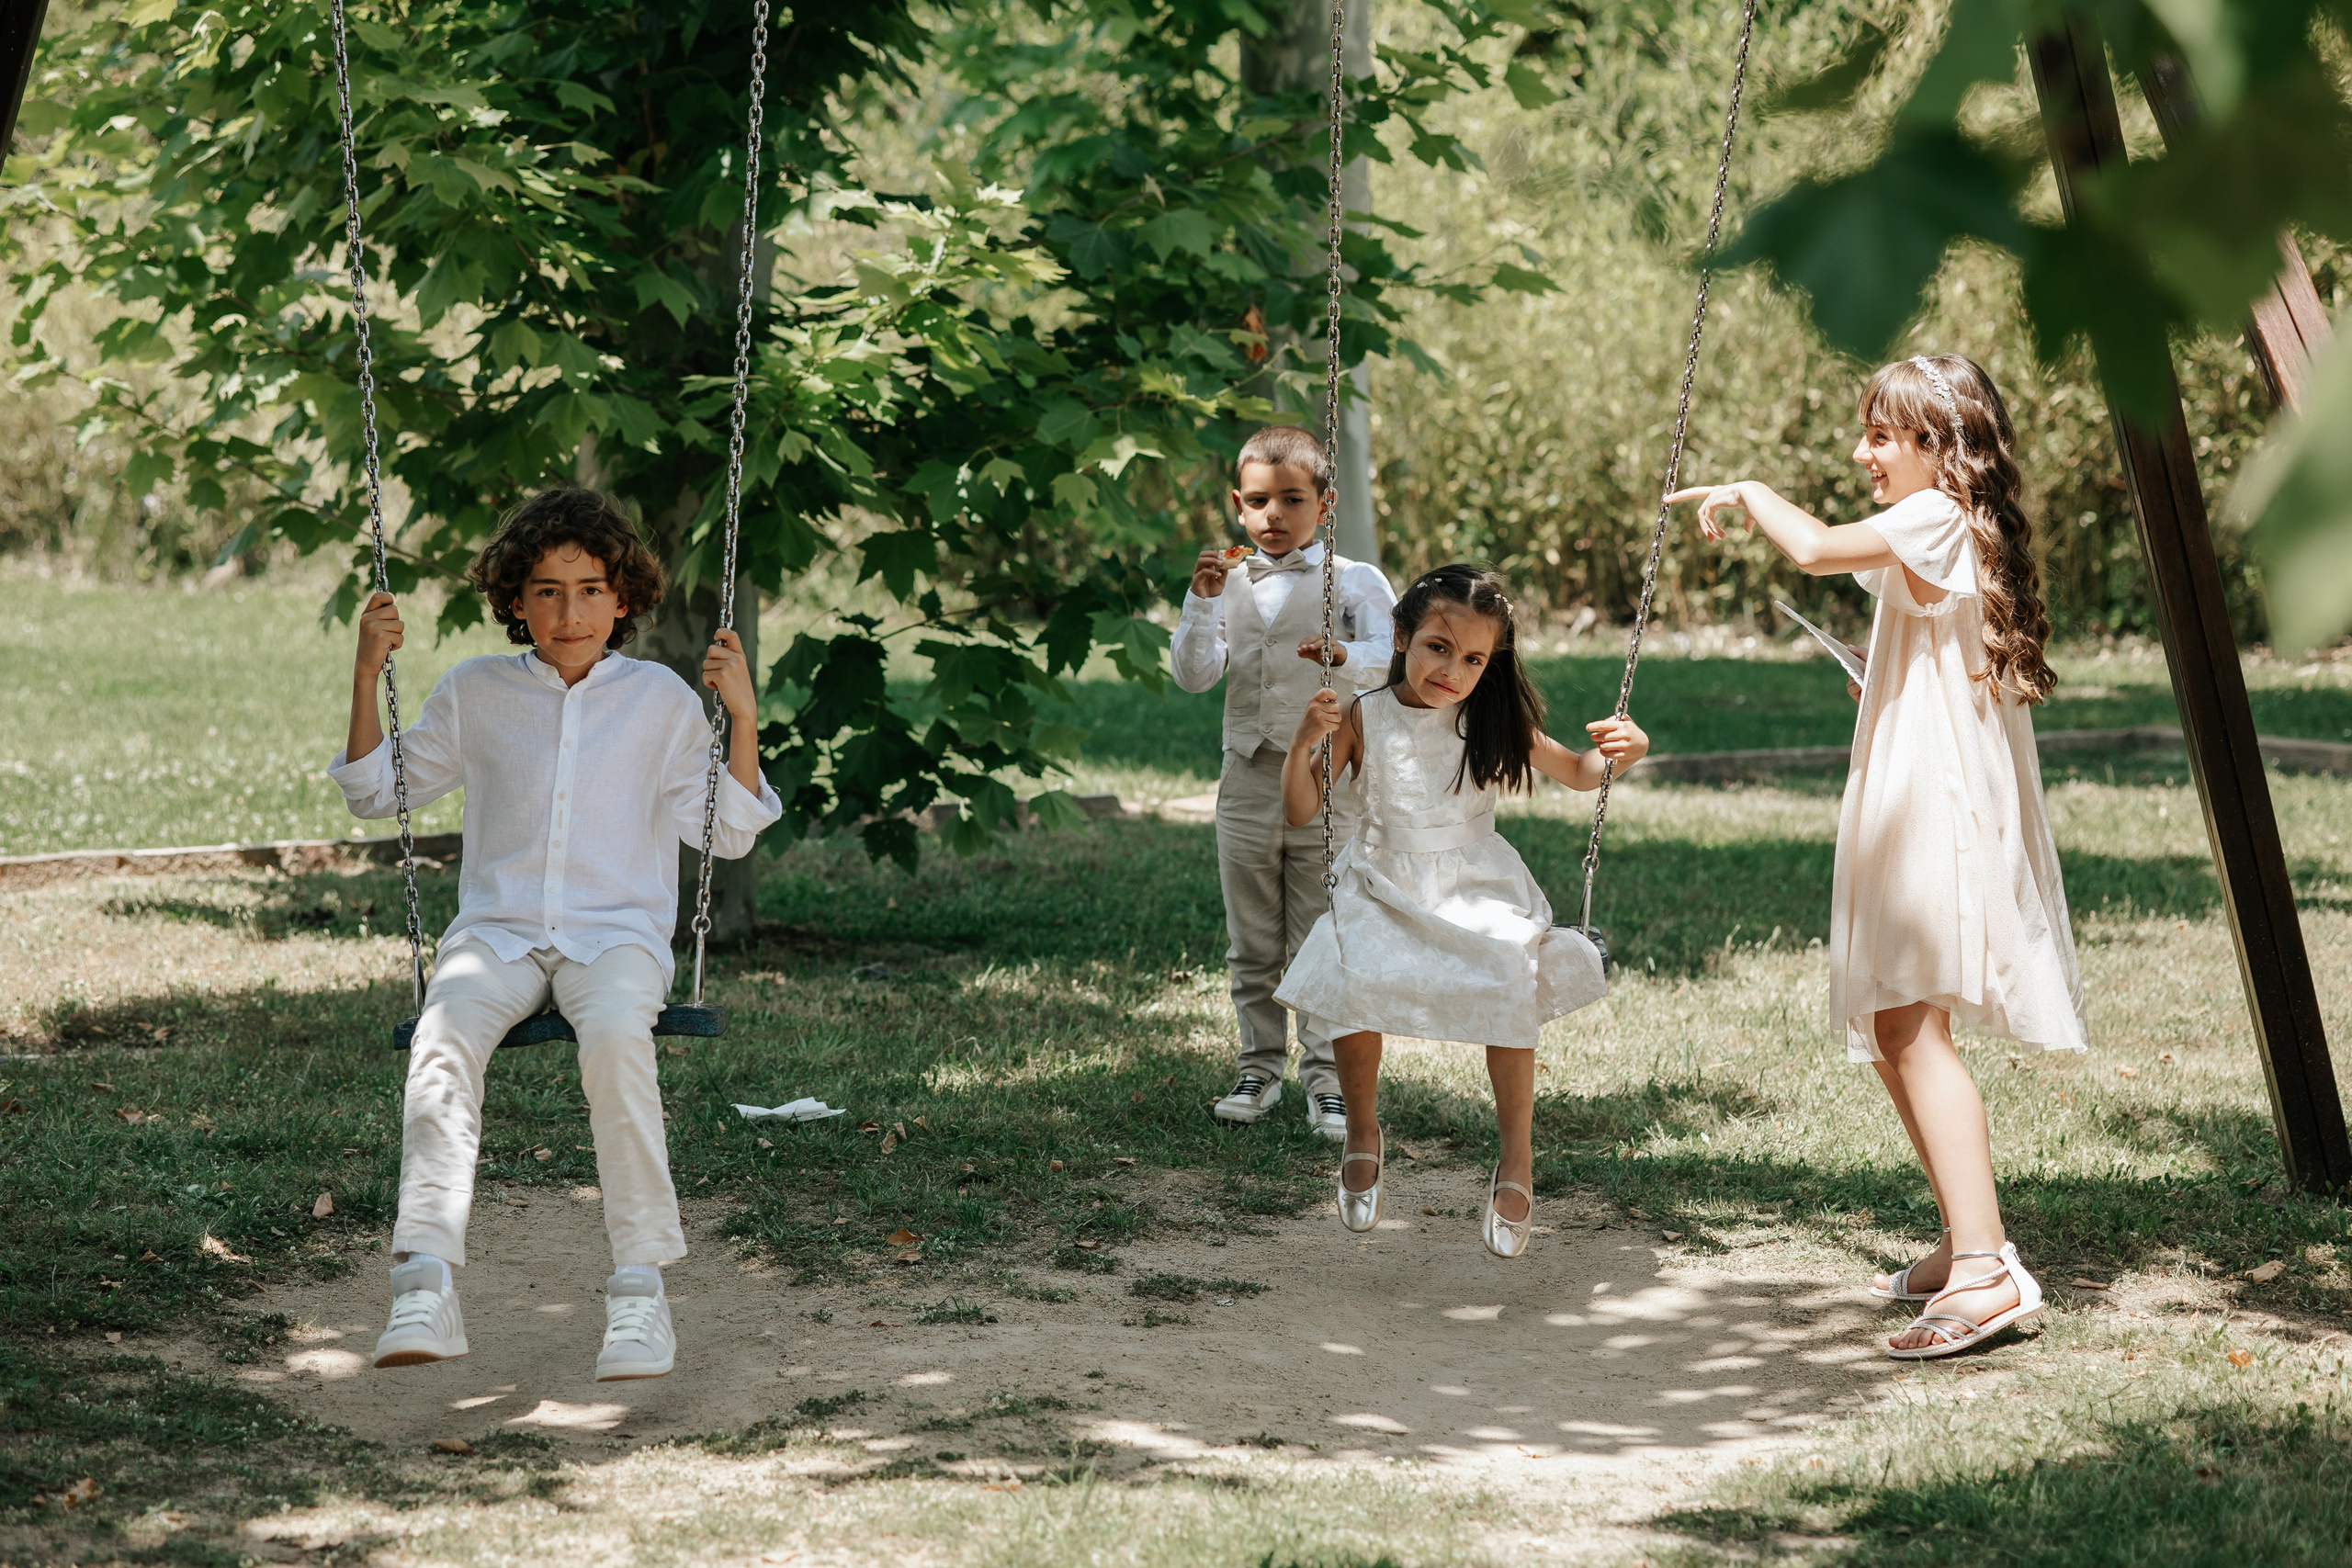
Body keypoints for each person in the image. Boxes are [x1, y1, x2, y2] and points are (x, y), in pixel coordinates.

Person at [1669, 353, 2085, 1359]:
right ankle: (1962, 1233)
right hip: (1912, 784)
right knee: (1900, 1022)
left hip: (1927, 805)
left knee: (1909, 1022)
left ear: (1940, 450)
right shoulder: (1933, 532)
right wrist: (1886, 679)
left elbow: (1811, 547)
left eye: (1881, 436)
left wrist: (1750, 492)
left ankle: (1987, 1270)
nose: (1862, 453)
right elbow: (1938, 648)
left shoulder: (1934, 516)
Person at [331, 488, 781, 1382]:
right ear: (513, 601)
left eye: (587, 589)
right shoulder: (475, 692)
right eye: (544, 590)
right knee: (441, 1039)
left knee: (618, 1040)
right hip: (494, 934)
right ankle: (423, 1282)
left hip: (615, 936)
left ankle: (639, 1295)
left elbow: (724, 831)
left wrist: (743, 716)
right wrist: (365, 668)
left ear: (623, 599)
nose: (567, 612)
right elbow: (380, 793)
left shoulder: (656, 701)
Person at [1273, 564, 1647, 1256]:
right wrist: (1305, 742)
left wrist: (1622, 752)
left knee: (1510, 974)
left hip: (1476, 880)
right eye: (1438, 648)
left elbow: (1578, 772)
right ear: (1401, 636)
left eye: (1474, 658)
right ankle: (1362, 1129)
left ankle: (1516, 1159)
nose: (1453, 669)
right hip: (1383, 878)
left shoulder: (1489, 716)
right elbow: (1302, 810)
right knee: (1356, 971)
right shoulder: (1363, 714)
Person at [1173, 426, 1397, 1139]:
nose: (1275, 515)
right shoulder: (1229, 582)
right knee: (1252, 934)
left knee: (1321, 927)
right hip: (1245, 772)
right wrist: (1200, 603)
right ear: (1240, 505)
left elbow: (1393, 658)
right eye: (1260, 501)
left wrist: (1344, 654)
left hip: (1326, 773)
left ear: (1324, 505)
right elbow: (1195, 674)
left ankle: (1326, 1077)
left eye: (1292, 500)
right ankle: (1257, 1065)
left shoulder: (1355, 580)